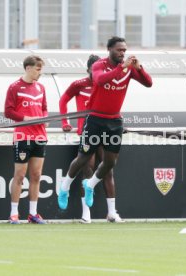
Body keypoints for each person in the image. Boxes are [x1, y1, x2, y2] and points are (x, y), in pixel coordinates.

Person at [58, 36, 152, 212]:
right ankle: (64, 186)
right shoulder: (99, 65)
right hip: (95, 120)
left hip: (114, 121)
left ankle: (90, 185)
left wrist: (139, 67)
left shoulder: (128, 69)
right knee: (83, 158)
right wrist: (122, 68)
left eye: (124, 50)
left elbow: (149, 83)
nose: (122, 53)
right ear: (109, 50)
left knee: (110, 162)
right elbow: (101, 80)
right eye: (119, 50)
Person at [59, 54, 124, 223]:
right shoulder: (79, 84)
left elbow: (112, 103)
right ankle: (86, 214)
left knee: (108, 169)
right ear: (89, 69)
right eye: (95, 69)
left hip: (106, 130)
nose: (99, 72)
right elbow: (63, 100)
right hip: (87, 130)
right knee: (87, 167)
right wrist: (65, 122)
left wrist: (117, 124)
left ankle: (112, 213)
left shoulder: (106, 83)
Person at [4, 55, 48, 224]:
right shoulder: (14, 87)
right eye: (38, 69)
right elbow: (8, 112)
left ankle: (33, 214)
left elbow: (44, 108)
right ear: (28, 68)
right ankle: (14, 213)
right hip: (23, 137)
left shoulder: (41, 88)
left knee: (36, 175)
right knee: (20, 175)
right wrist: (26, 119)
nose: (40, 73)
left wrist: (44, 118)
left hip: (40, 136)